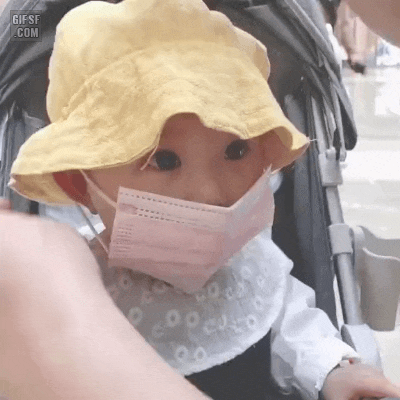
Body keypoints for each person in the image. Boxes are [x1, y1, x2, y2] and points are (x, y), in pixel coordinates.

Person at [2, 1, 400, 400]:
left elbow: (299, 332)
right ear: (79, 184)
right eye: (164, 160)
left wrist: (333, 373)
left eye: (236, 151)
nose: (209, 193)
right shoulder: (73, 286)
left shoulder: (254, 270)